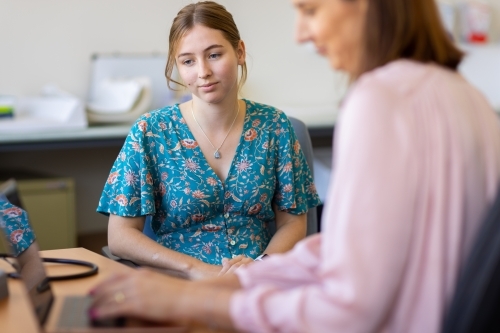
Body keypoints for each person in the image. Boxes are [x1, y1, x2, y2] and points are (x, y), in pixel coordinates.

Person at [89, 0, 500, 332]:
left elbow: (350, 308)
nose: (301, 33)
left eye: (311, 9)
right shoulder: (470, 99)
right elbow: (355, 247)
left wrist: (210, 301)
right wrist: (239, 281)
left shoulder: (379, 99)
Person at [96, 1, 320, 280]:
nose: (203, 71)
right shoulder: (150, 132)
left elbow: (292, 221)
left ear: (239, 52)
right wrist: (198, 270)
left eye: (214, 55)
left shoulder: (274, 126)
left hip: (258, 283)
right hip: (179, 282)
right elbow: (120, 236)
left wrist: (261, 267)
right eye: (188, 61)